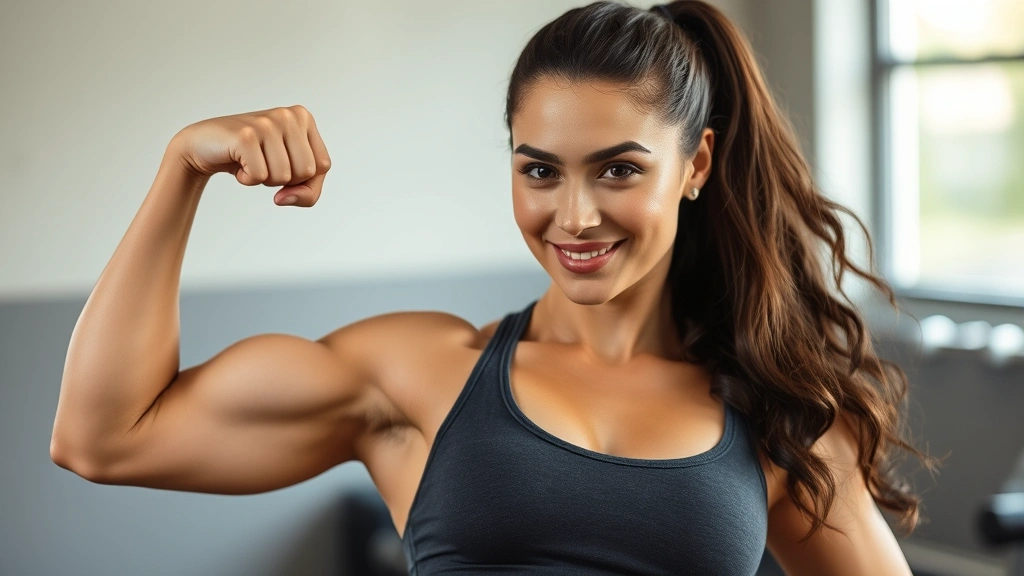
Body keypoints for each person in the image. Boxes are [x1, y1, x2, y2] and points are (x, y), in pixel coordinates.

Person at [50, 1, 938, 574]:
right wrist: (181, 171)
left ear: (695, 164)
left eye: (620, 170)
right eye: (540, 170)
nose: (575, 217)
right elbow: (103, 438)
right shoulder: (419, 372)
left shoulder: (777, 413)